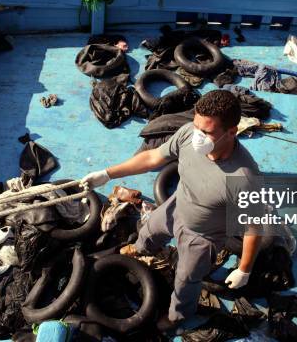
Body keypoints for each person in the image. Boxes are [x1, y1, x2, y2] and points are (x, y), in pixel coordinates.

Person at [81, 89, 263, 332]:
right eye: (196, 126)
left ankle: (177, 316)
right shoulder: (189, 134)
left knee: (186, 281)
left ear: (232, 131)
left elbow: (254, 227)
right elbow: (153, 157)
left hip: (203, 236)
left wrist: (244, 269)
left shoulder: (244, 177)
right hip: (177, 205)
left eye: (207, 132)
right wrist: (107, 173)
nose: (197, 136)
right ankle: (139, 251)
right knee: (147, 232)